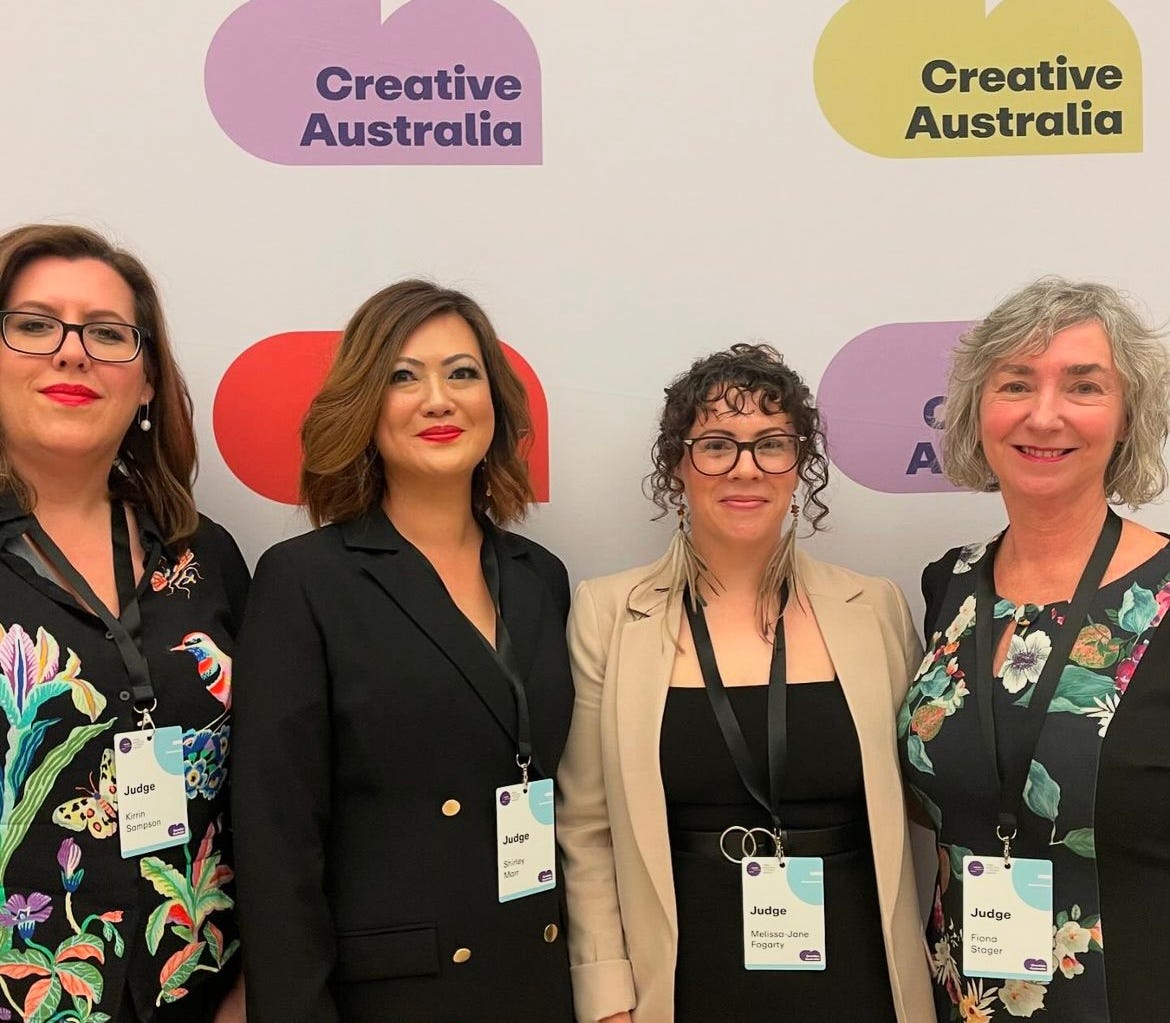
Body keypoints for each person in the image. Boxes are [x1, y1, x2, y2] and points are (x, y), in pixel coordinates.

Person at [557, 343, 933, 1023]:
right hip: (680, 977)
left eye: (771, 444)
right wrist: (607, 994)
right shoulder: (608, 613)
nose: (745, 468)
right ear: (679, 462)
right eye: (717, 444)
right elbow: (585, 826)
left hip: (860, 974)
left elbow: (929, 799)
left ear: (801, 465)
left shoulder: (873, 608)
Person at [231, 280, 575, 1022]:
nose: (439, 399)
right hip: (394, 994)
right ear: (365, 405)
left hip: (535, 976)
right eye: (402, 376)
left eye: (462, 372)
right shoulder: (305, 580)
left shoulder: (540, 576)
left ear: (497, 400)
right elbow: (277, 841)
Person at [901, 277, 1170, 1022]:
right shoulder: (948, 587)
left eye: (1083, 386)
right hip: (963, 997)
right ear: (977, 411)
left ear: (1126, 418)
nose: (1044, 414)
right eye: (1016, 382)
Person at [0, 224, 248, 1022]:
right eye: (34, 324)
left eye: (108, 333)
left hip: (202, 995)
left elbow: (267, 797)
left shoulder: (205, 556)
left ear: (146, 382)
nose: (72, 353)